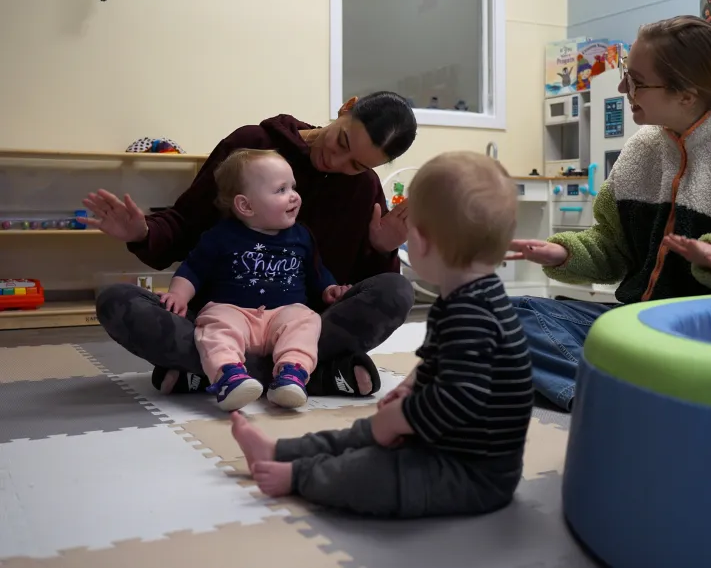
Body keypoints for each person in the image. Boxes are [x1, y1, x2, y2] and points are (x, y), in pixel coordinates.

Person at [507, 15, 711, 411]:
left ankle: (622, 393)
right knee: (507, 317)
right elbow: (613, 248)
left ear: (686, 95)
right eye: (626, 76)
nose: (624, 89)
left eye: (637, 82)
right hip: (638, 326)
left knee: (516, 359)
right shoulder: (641, 148)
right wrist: (565, 253)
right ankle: (623, 399)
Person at [230, 151, 532, 518]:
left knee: (372, 471)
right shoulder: (465, 298)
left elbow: (459, 399)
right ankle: (279, 452)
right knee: (361, 433)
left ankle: (299, 475)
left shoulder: (474, 314)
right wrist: (409, 388)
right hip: (437, 439)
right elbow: (441, 364)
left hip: (469, 473)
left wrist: (402, 417)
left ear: (421, 242)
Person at [83, 93, 418, 398]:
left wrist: (382, 248)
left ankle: (217, 372)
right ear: (347, 108)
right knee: (117, 300)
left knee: (398, 291)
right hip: (223, 317)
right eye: (342, 142)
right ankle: (310, 375)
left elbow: (357, 289)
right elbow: (186, 224)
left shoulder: (364, 189)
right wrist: (142, 232)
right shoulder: (251, 146)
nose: (337, 161)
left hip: (300, 324)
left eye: (356, 165)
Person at [162, 149, 345, 411]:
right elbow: (193, 269)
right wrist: (178, 295)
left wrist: (329, 288)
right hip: (234, 311)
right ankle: (229, 376)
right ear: (246, 206)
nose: (294, 195)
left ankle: (291, 374)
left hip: (284, 313)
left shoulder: (301, 236)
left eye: (293, 187)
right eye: (281, 190)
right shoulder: (221, 236)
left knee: (307, 320)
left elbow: (316, 271)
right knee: (215, 324)